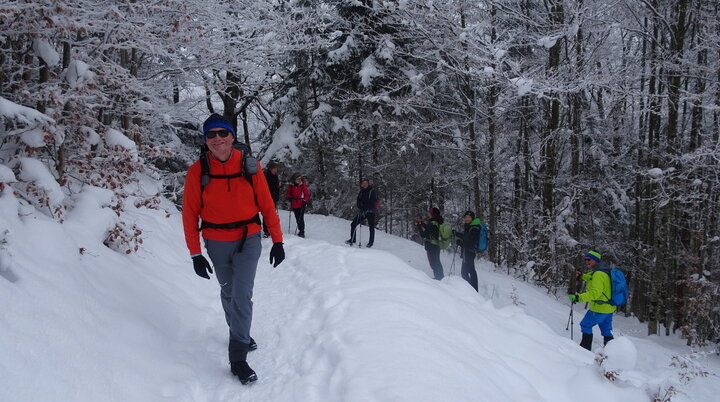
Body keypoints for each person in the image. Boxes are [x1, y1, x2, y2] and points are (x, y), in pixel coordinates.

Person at [182, 113, 285, 385]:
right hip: (215, 241)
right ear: (206, 141)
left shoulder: (250, 166)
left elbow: (266, 203)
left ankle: (237, 357)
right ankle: (239, 329)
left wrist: (277, 240)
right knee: (228, 290)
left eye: (222, 133)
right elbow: (190, 214)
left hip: (248, 236)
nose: (217, 139)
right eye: (211, 134)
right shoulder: (197, 171)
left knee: (241, 294)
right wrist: (195, 253)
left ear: (232, 137)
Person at [567, 250, 616, 351]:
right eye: (585, 259)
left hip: (599, 309)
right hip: (609, 308)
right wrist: (582, 276)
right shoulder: (604, 271)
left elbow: (595, 293)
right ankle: (612, 354)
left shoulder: (598, 274)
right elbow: (591, 278)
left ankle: (584, 351)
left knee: (585, 325)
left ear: (596, 260)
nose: (586, 261)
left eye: (589, 259)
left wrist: (578, 297)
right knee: (606, 331)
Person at [414, 207, 444, 280]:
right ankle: (440, 277)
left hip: (431, 246)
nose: (428, 213)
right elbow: (430, 230)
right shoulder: (437, 222)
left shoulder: (432, 223)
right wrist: (422, 224)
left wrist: (418, 225)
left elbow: (423, 234)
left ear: (432, 214)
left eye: (429, 212)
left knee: (434, 263)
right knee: (436, 261)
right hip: (437, 245)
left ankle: (439, 278)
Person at [345, 178, 377, 247]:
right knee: (353, 224)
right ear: (362, 184)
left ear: (368, 184)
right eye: (363, 183)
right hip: (362, 212)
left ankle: (370, 242)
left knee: (371, 227)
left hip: (370, 212)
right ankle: (353, 239)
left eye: (366, 183)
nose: (365, 184)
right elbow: (358, 201)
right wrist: (360, 206)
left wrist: (366, 208)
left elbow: (373, 203)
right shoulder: (361, 191)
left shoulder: (372, 191)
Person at [454, 211, 480, 291]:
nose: (466, 219)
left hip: (469, 252)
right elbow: (466, 237)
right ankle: (473, 290)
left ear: (472, 218)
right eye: (465, 217)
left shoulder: (474, 228)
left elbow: (470, 242)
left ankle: (471, 290)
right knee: (471, 271)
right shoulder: (470, 227)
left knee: (465, 272)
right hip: (468, 252)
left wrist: (461, 243)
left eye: (468, 217)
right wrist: (457, 234)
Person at [285, 172, 310, 237]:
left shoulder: (302, 185)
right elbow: (288, 194)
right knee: (297, 217)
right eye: (297, 179)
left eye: (300, 179)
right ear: (294, 179)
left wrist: (305, 201)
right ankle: (300, 230)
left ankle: (302, 232)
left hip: (301, 203)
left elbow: (306, 194)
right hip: (294, 203)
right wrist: (289, 198)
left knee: (300, 218)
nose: (299, 180)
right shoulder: (291, 186)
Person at [262, 161, 281, 237]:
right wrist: (270, 194)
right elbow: (263, 187)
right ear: (270, 169)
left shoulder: (276, 176)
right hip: (267, 198)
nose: (275, 170)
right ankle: (266, 231)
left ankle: (271, 229)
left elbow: (277, 187)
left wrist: (277, 195)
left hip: (274, 198)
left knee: (272, 214)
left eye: (276, 168)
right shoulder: (266, 176)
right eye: (273, 168)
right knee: (266, 214)